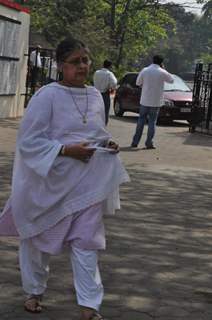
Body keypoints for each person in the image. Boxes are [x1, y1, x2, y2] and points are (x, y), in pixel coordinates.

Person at [0, 37, 129, 320]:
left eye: (85, 60)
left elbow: (97, 133)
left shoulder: (96, 96)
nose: (82, 66)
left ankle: (89, 306)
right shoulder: (47, 95)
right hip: (48, 184)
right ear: (60, 66)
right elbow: (29, 141)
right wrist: (65, 150)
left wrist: (108, 145)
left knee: (87, 242)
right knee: (35, 239)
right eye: (75, 62)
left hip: (86, 183)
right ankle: (33, 291)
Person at [131, 55, 174, 149]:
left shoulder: (145, 70)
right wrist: (164, 69)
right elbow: (171, 80)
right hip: (156, 101)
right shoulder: (162, 72)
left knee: (141, 121)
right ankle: (149, 143)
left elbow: (138, 83)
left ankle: (135, 142)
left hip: (145, 100)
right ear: (161, 63)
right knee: (152, 122)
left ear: (152, 60)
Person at [93, 60, 117, 125]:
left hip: (95, 94)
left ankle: (95, 125)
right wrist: (111, 88)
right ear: (110, 66)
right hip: (104, 94)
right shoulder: (109, 74)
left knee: (96, 111)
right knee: (105, 112)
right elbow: (114, 83)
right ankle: (103, 127)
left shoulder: (96, 72)